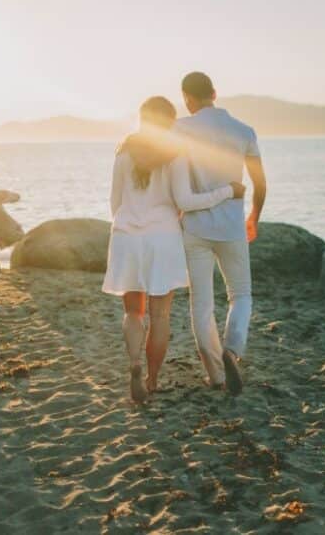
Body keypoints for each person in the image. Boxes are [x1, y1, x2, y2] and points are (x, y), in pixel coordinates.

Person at [102, 96, 246, 403]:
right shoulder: (174, 154)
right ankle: (153, 380)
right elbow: (185, 202)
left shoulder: (123, 152)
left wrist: (129, 222)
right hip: (162, 238)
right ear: (168, 123)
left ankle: (135, 364)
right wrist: (227, 192)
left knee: (132, 312)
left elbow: (114, 203)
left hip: (126, 236)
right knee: (160, 315)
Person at [176, 72, 267, 396]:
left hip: (195, 226)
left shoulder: (179, 129)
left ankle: (215, 375)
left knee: (201, 305)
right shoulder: (243, 131)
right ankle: (232, 351)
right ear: (215, 93)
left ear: (187, 97)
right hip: (230, 226)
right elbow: (260, 183)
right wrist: (254, 216)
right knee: (240, 294)